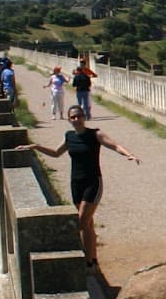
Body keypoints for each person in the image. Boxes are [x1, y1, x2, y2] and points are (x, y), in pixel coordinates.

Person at [22, 104, 139, 268]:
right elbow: (56, 153)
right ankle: (93, 260)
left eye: (79, 116)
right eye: (73, 117)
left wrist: (129, 155)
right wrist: (35, 147)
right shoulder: (69, 136)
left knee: (82, 221)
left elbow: (114, 145)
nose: (76, 119)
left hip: (93, 182)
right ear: (69, 120)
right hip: (76, 183)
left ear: (84, 117)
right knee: (88, 224)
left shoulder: (95, 134)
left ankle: (86, 261)